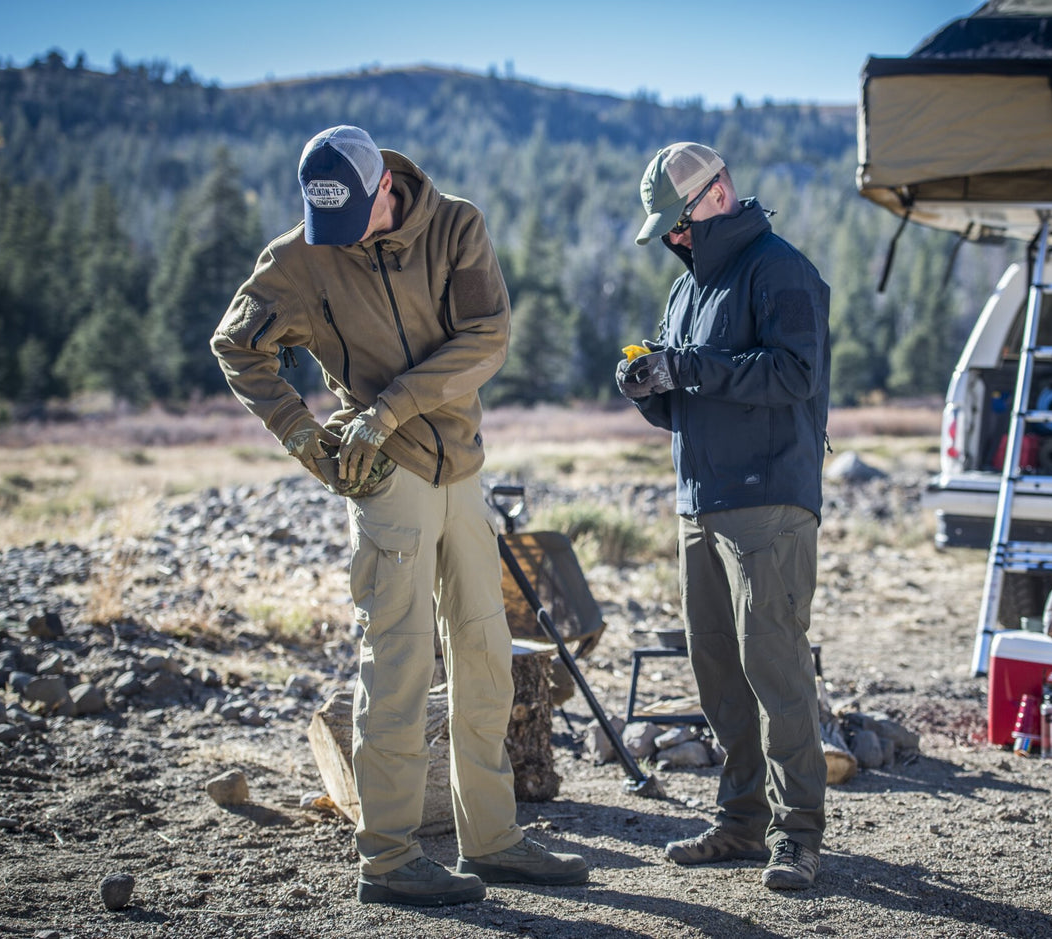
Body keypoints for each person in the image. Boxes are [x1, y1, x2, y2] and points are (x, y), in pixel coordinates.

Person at [211, 125, 588, 907]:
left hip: (461, 465)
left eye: (354, 216)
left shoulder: (455, 225)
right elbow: (236, 345)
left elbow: (488, 338)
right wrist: (306, 437)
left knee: (487, 656)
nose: (340, 240)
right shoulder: (298, 256)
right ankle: (386, 858)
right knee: (400, 662)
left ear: (386, 183)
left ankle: (492, 840)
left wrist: (392, 407)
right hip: (386, 480)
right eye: (327, 226)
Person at [617, 142, 831, 890]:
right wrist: (651, 388)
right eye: (666, 230)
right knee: (718, 671)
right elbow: (690, 406)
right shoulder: (687, 292)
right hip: (700, 502)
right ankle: (740, 820)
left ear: (716, 196)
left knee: (775, 668)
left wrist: (690, 367)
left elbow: (794, 371)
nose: (673, 239)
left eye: (676, 223)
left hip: (769, 500)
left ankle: (798, 834)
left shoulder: (779, 268)